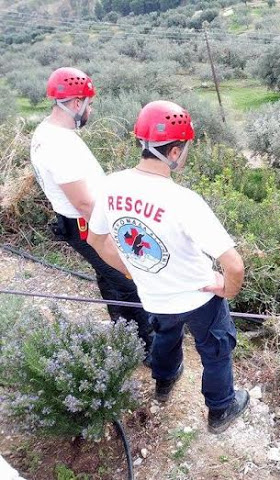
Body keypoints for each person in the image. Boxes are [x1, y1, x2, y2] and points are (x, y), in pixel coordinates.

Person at [87, 100, 248, 434]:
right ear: (175, 152)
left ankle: (164, 383)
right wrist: (225, 288)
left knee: (165, 336)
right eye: (185, 147)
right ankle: (221, 410)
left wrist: (133, 271)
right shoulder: (184, 201)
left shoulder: (110, 185)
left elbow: (97, 241)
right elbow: (234, 265)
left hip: (153, 294)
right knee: (216, 350)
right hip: (200, 297)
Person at [30, 67, 153, 365]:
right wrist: (112, 237)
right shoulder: (58, 145)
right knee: (128, 282)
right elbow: (84, 202)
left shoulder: (50, 133)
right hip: (88, 225)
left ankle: (125, 335)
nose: (91, 109)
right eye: (89, 103)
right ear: (75, 104)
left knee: (109, 278)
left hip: (81, 224)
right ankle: (149, 352)